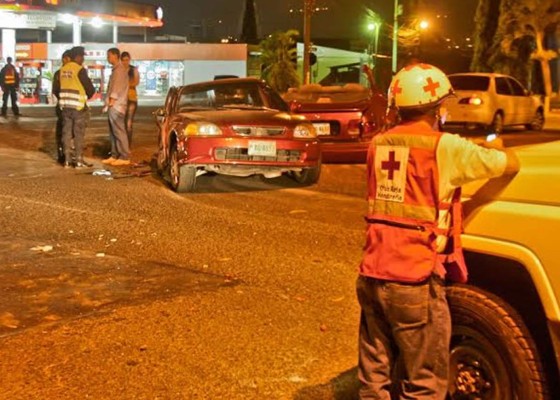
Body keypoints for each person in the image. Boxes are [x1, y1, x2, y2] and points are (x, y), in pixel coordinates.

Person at [356, 63, 520, 399]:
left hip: (373, 273)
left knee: (374, 377)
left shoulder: (379, 145)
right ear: (437, 107)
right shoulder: (445, 147)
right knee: (424, 382)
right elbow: (507, 164)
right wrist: (500, 145)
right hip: (414, 279)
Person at [53, 46, 95, 168]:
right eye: (82, 56)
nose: (83, 59)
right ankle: (78, 160)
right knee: (78, 134)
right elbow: (90, 89)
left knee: (66, 133)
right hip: (78, 107)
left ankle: (66, 160)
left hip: (65, 107)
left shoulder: (61, 70)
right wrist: (86, 96)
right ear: (77, 57)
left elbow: (56, 89)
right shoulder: (79, 70)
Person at [102, 47, 131, 166]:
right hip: (114, 105)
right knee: (113, 132)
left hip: (117, 106)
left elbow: (116, 89)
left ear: (115, 55)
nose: (107, 58)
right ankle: (115, 154)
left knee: (119, 131)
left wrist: (110, 103)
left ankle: (124, 156)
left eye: (109, 55)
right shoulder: (116, 70)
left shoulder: (119, 70)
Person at [52, 50, 72, 163]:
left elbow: (55, 90)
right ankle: (64, 153)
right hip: (66, 106)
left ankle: (63, 153)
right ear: (65, 59)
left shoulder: (58, 73)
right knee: (65, 130)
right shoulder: (61, 73)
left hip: (62, 104)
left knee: (63, 129)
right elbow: (55, 90)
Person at [120, 51, 140, 146]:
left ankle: (128, 145)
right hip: (121, 100)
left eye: (127, 60)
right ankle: (122, 144)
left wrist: (126, 84)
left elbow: (136, 82)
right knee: (121, 123)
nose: (125, 62)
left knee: (128, 123)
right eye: (123, 60)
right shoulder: (118, 70)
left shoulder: (133, 70)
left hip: (131, 99)